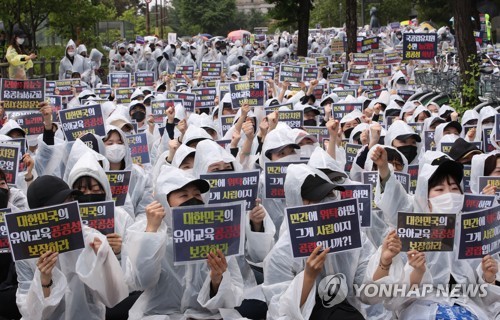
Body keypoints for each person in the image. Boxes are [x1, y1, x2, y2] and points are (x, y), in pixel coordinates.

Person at [122, 165, 244, 319]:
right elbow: (141, 281)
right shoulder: (145, 229)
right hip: (158, 314)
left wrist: (217, 280)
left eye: (197, 194)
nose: (192, 200)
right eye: (183, 196)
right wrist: (151, 233)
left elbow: (233, 295)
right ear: (164, 200)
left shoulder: (216, 232)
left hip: (205, 315)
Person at [15, 175, 128, 320]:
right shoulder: (26, 251)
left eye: (70, 202)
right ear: (39, 215)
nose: (68, 209)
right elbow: (28, 312)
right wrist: (44, 281)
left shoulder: (90, 238)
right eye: (59, 206)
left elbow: (113, 297)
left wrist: (103, 262)